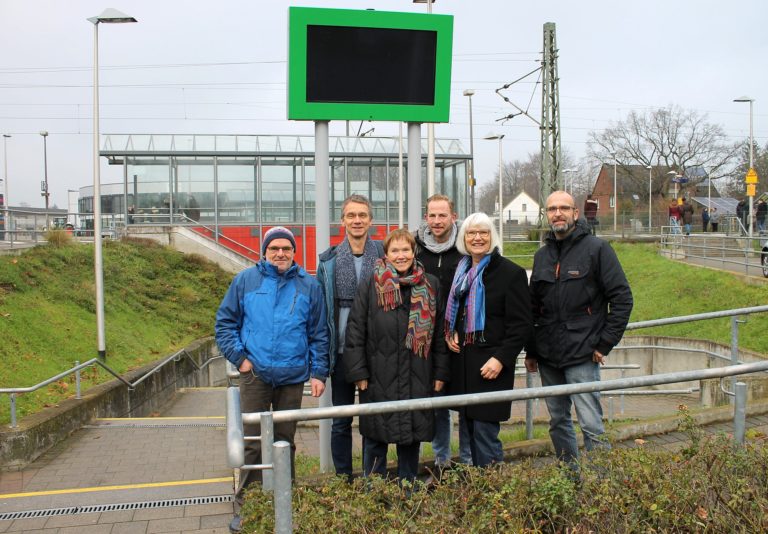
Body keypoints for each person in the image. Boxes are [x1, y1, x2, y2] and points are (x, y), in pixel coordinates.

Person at [215, 226, 329, 533]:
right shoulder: (245, 281)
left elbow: (319, 333)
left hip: (292, 377)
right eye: (274, 248)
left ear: (294, 252)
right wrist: (241, 360)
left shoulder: (309, 286)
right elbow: (225, 324)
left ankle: (285, 500)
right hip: (255, 375)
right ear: (264, 251)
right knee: (252, 442)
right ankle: (248, 505)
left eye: (287, 249)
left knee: (284, 441)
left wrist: (319, 372)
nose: (281, 253)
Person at [526, 191, 633, 470]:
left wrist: (604, 344)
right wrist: (532, 350)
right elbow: (533, 308)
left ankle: (604, 490)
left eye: (563, 208)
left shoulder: (597, 250)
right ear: (546, 215)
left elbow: (622, 299)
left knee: (591, 424)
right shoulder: (541, 256)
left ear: (576, 213)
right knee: (558, 423)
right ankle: (569, 482)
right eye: (551, 209)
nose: (557, 213)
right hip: (549, 357)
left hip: (583, 354)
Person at [343, 228, 450, 483]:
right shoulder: (371, 283)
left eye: (405, 250)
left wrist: (440, 373)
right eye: (395, 250)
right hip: (379, 376)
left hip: (418, 374)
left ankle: (408, 489)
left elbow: (439, 334)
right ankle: (375, 494)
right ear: (386, 254)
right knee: (376, 439)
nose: (400, 255)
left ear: (413, 252)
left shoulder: (431, 284)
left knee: (411, 438)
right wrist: (359, 372)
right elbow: (355, 329)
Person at [444, 212, 533, 467]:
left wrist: (501, 359)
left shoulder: (510, 273)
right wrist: (451, 332)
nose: (477, 238)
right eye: (471, 233)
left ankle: (493, 492)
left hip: (490, 368)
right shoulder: (459, 270)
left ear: (492, 236)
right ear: (464, 238)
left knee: (485, 435)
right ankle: (473, 492)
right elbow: (455, 310)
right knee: (467, 431)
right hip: (463, 366)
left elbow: (521, 325)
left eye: (483, 232)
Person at [316, 194, 384, 480]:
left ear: (370, 220)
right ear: (342, 221)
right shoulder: (328, 261)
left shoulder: (384, 254)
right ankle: (343, 479)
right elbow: (321, 313)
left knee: (374, 420)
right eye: (351, 216)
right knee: (341, 420)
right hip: (342, 353)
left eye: (362, 215)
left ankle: (374, 478)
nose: (357, 221)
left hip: (376, 352)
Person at [414, 194, 473, 468]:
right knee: (437, 401)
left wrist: (461, 329)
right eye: (432, 215)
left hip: (459, 337)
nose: (437, 221)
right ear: (426, 217)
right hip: (428, 337)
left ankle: (469, 459)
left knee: (464, 401)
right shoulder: (416, 249)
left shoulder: (466, 248)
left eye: (442, 215)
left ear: (454, 216)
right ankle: (442, 461)